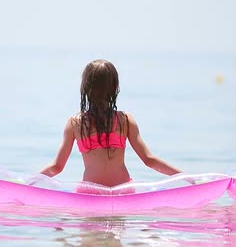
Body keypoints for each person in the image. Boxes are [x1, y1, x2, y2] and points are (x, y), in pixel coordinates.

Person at [40, 59, 182, 190]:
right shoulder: (125, 120)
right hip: (123, 191)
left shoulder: (75, 123)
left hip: (90, 193)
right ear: (115, 88)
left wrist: (30, 182)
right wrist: (185, 176)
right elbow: (149, 160)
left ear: (85, 88)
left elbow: (57, 167)